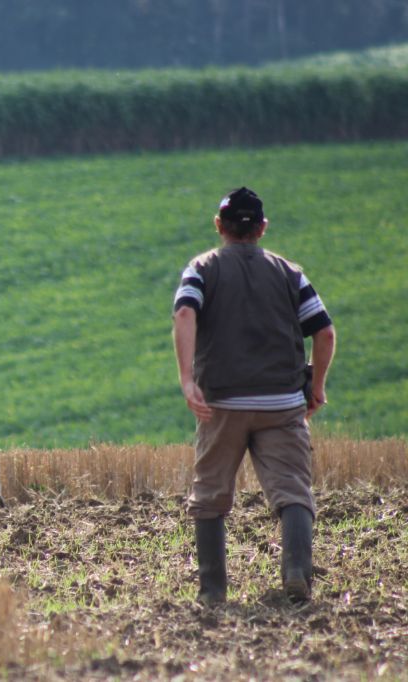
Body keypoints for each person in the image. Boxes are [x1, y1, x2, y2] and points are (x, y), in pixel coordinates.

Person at [172, 187, 336, 605]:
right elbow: (324, 330)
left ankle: (212, 592)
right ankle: (296, 573)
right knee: (293, 491)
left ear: (218, 226)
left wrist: (188, 379)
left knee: (210, 495)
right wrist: (315, 387)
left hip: (221, 403)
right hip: (282, 403)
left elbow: (186, 312)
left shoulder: (202, 268)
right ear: (262, 228)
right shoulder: (289, 272)